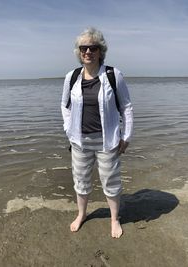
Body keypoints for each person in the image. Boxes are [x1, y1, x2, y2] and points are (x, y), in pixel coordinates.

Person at [61, 27, 133, 238]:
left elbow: (126, 107)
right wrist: (68, 129)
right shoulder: (71, 77)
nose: (88, 52)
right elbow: (65, 106)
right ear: (79, 51)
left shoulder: (113, 75)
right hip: (79, 141)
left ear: (100, 51)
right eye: (84, 48)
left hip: (107, 141)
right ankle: (82, 214)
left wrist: (126, 136)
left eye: (93, 47)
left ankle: (114, 219)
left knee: (111, 181)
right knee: (81, 180)